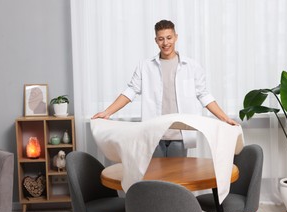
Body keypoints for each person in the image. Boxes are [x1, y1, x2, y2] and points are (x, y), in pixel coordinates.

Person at [93, 20, 238, 157]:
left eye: (169, 38)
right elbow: (130, 92)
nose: (165, 43)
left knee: (177, 179)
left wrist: (225, 119)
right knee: (155, 180)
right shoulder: (145, 66)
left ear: (176, 37)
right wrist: (107, 112)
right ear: (156, 40)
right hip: (154, 134)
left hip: (180, 135)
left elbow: (204, 96)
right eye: (161, 39)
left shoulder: (192, 67)